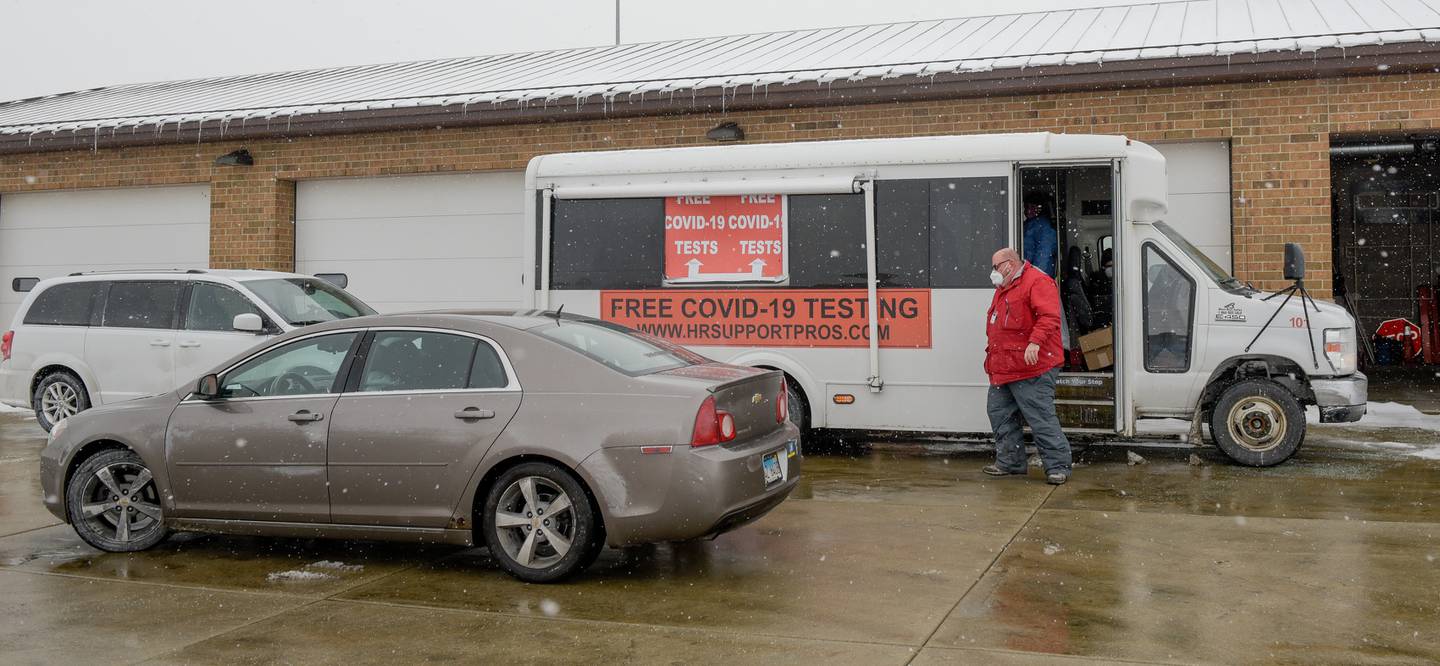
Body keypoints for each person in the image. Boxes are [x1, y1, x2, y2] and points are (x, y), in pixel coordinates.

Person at [982, 247, 1072, 485]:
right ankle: (1010, 462)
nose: (993, 272)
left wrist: (1034, 343)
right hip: (1004, 368)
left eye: (996, 266)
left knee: (1040, 418)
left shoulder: (1037, 281)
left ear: (1010, 264)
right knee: (1000, 415)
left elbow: (1049, 317)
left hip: (1033, 367)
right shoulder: (1003, 288)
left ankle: (1057, 466)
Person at [1022, 201, 1058, 278]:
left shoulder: (1043, 226)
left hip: (1039, 275)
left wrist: (1036, 275)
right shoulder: (1026, 225)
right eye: (1027, 207)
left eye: (1032, 207)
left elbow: (1044, 252)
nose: (1028, 211)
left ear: (1040, 209)